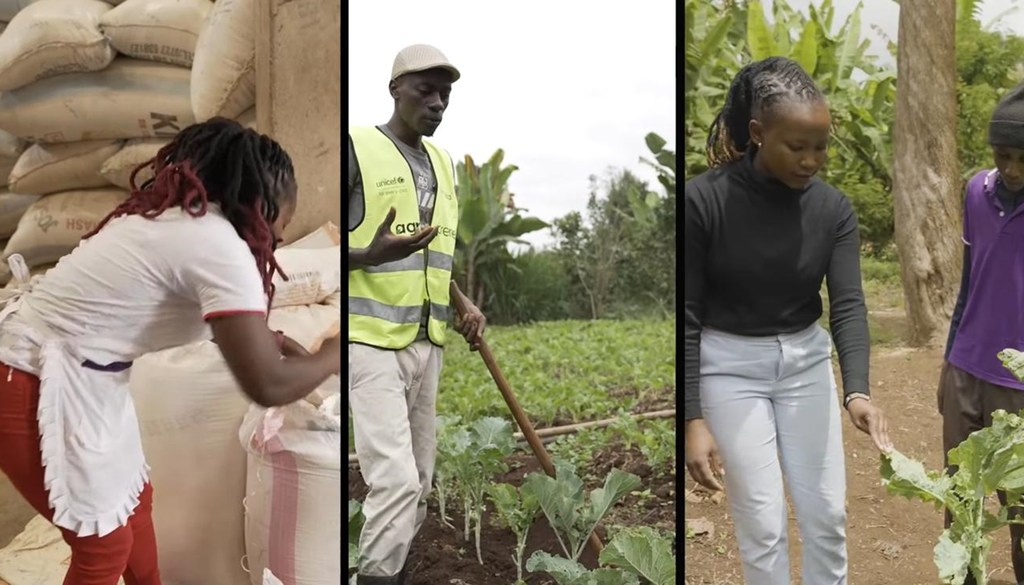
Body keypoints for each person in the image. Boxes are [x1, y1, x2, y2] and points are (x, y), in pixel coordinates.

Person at [0, 117, 342, 585]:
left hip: (80, 377)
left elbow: (237, 332)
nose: (280, 238)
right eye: (282, 222)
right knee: (103, 548)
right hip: (32, 378)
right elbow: (267, 384)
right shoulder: (219, 246)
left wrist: (281, 343)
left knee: (135, 507)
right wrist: (337, 352)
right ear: (262, 205)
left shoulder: (178, 221)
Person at [683, 56, 893, 585]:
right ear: (757, 133)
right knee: (763, 526)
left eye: (820, 147)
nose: (811, 161)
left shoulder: (833, 210)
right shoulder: (703, 201)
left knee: (827, 518)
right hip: (729, 369)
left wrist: (858, 391)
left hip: (804, 365)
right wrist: (692, 418)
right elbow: (685, 315)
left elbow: (847, 303)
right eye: (796, 147)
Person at [347, 44, 486, 585]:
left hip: (427, 341)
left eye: (444, 95)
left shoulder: (443, 164)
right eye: (425, 91)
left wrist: (461, 300)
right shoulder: (357, 147)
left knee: (421, 482)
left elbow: (432, 252)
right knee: (396, 481)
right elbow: (317, 245)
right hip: (371, 340)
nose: (437, 103)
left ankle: (393, 573)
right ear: (395, 90)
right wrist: (367, 256)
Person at [939, 81, 1024, 585]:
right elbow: (969, 283)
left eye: (1023, 158)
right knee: (961, 507)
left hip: (1019, 385)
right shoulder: (977, 190)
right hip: (967, 375)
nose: (1012, 169)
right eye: (1003, 155)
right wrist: (949, 360)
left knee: (1020, 514)